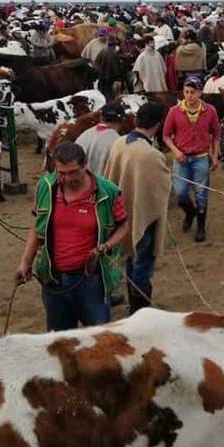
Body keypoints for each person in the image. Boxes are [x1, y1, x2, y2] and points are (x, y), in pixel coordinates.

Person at [15, 142, 128, 331]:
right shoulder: (46, 187)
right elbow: (37, 228)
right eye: (61, 173)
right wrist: (25, 262)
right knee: (59, 341)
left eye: (73, 172)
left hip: (90, 279)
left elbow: (123, 225)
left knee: (99, 338)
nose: (67, 178)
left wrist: (106, 246)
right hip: (53, 278)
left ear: (85, 165)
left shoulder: (107, 192)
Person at [104, 102, 171, 313]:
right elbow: (161, 189)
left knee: (131, 258)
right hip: (143, 216)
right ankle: (139, 307)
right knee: (142, 262)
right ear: (157, 125)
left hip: (121, 215)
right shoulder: (151, 155)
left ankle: (136, 303)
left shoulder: (119, 143)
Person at [162, 76, 220, 242]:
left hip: (201, 157)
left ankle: (201, 226)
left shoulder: (209, 111)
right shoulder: (174, 111)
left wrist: (215, 157)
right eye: (186, 92)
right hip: (182, 158)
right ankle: (190, 212)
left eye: (193, 92)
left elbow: (216, 134)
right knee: (180, 192)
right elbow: (166, 136)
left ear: (200, 93)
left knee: (202, 193)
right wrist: (175, 151)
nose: (189, 96)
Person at [74, 103, 124, 176]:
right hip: (104, 186)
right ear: (123, 119)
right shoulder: (118, 142)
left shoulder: (84, 135)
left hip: (81, 184)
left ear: (101, 118)